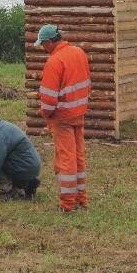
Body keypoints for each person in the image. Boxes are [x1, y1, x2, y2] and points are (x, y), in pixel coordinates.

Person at [35, 23, 91, 212]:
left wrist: (47, 114)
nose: (43, 48)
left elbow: (49, 98)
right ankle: (82, 200)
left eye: (43, 44)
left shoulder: (54, 61)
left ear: (50, 41)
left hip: (62, 116)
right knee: (78, 157)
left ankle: (67, 204)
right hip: (78, 113)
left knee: (66, 159)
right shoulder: (78, 53)